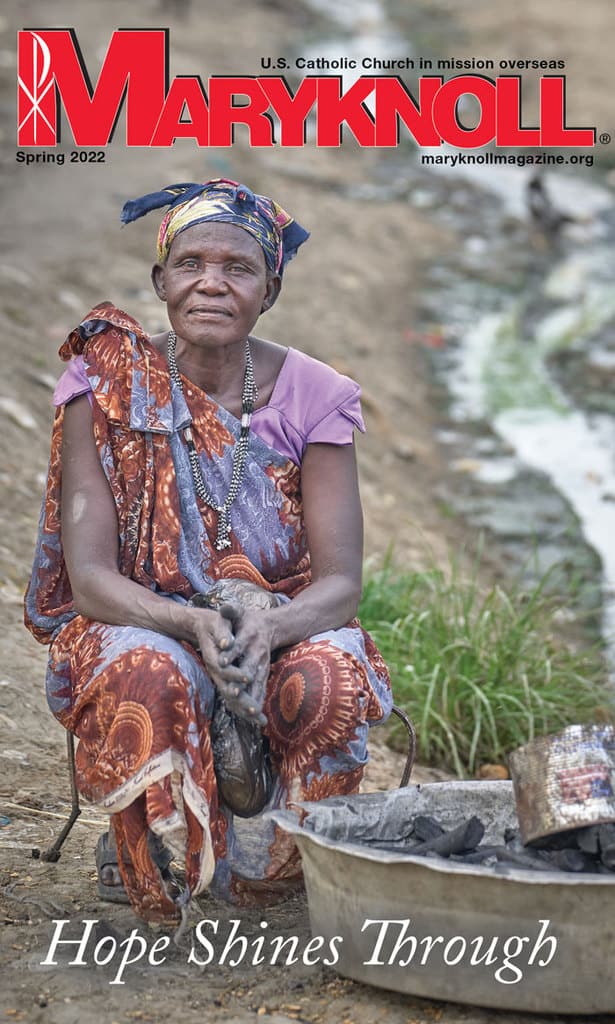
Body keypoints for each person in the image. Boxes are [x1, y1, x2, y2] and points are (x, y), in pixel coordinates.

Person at [24, 178, 392, 926]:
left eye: (239, 268)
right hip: (140, 614)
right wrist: (187, 624)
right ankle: (155, 851)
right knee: (151, 668)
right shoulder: (106, 383)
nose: (211, 284)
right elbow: (91, 580)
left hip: (279, 612)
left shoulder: (316, 395)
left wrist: (272, 628)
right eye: (191, 264)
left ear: (270, 288)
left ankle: (282, 868)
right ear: (161, 280)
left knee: (327, 677)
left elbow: (340, 583)